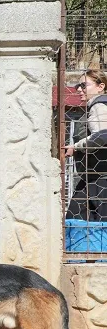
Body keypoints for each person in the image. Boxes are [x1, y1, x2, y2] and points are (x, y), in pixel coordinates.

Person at [66, 69, 107, 221]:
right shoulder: (95, 106)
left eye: (84, 85)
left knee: (88, 225)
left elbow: (102, 135)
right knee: (78, 220)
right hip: (93, 177)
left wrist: (75, 147)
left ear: (100, 86)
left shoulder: (99, 105)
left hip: (101, 178)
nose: (78, 89)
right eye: (78, 85)